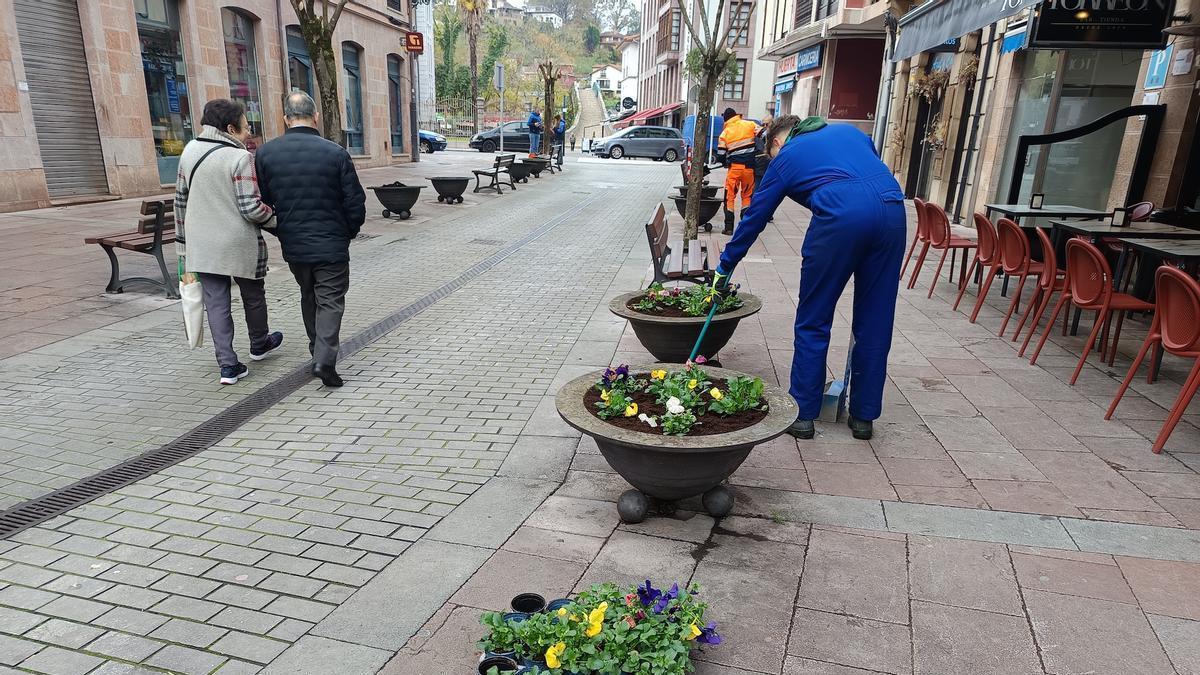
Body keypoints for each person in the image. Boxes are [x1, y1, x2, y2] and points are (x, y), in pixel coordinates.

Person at [712, 115, 907, 441]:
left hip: (839, 218)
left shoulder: (786, 157)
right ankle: (863, 416)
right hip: (892, 212)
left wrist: (724, 266)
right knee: (876, 319)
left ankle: (803, 414)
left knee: (814, 318)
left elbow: (755, 217)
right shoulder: (850, 130)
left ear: (775, 143)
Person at [255, 92, 365, 388]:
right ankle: (324, 360)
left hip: (295, 244)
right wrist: (348, 232)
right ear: (315, 116)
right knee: (330, 300)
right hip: (331, 243)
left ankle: (315, 348)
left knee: (309, 295)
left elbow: (264, 201)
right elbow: (355, 201)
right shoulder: (335, 153)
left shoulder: (266, 154)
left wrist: (283, 230)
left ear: (285, 118)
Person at [174, 98, 283, 385]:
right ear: (230, 128)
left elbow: (180, 202)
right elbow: (251, 208)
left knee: (217, 303)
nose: (249, 133)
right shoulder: (239, 157)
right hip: (237, 241)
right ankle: (260, 343)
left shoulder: (189, 151)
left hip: (202, 243)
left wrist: (183, 247)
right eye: (246, 128)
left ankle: (228, 366)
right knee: (253, 294)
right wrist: (277, 221)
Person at [716, 108, 759, 235]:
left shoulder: (725, 133)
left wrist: (725, 162)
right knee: (747, 196)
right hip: (749, 169)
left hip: (734, 169)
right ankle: (745, 226)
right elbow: (764, 133)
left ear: (726, 119)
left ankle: (729, 228)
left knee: (730, 197)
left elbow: (720, 155)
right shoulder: (750, 124)